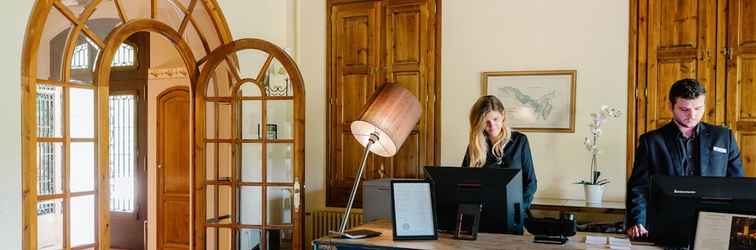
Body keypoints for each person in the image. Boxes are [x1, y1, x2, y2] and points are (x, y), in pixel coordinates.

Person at [625, 79, 744, 238]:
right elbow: (639, 186)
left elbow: (737, 184)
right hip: (666, 225)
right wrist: (637, 220)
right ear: (671, 106)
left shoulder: (724, 137)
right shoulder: (651, 141)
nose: (692, 115)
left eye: (698, 108)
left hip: (714, 225)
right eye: (684, 109)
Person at [461, 95, 538, 211]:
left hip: (514, 213)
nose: (492, 126)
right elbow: (463, 183)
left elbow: (531, 183)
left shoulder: (520, 141)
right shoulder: (475, 147)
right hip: (484, 215)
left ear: (503, 115)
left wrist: (518, 210)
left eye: (495, 119)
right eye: (486, 122)